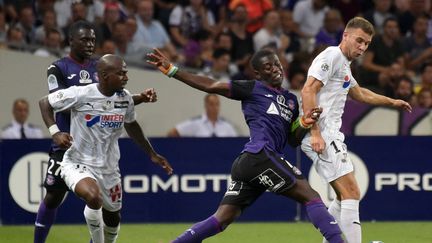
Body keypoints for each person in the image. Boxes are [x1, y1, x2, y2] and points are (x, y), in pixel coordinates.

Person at [147, 48, 345, 243]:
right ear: (258, 74)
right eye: (268, 67)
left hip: (250, 163)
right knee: (310, 196)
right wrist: (173, 70)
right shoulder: (252, 88)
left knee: (222, 218)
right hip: (260, 155)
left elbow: (292, 140)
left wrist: (303, 122)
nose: (276, 69)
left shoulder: (291, 101)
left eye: (277, 63)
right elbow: (212, 85)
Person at [34, 20, 158, 243]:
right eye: (85, 39)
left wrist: (137, 98)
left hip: (100, 149)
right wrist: (55, 132)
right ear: (71, 41)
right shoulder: (59, 68)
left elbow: (111, 99)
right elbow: (63, 101)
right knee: (53, 196)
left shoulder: (100, 66)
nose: (90, 44)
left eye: (93, 39)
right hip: (67, 141)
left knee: (109, 211)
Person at [301, 17, 412, 243]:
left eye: (367, 44)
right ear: (346, 35)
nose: (362, 47)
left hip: (329, 134)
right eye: (359, 41)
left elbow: (360, 93)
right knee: (352, 192)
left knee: (344, 198)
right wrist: (315, 133)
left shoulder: (343, 64)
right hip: (322, 133)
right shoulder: (331, 56)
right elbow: (307, 91)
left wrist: (392, 102)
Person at [167, 94, 237, 137]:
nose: (215, 107)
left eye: (217, 104)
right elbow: (173, 133)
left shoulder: (227, 126)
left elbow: (234, 143)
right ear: (205, 105)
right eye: (211, 104)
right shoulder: (196, 123)